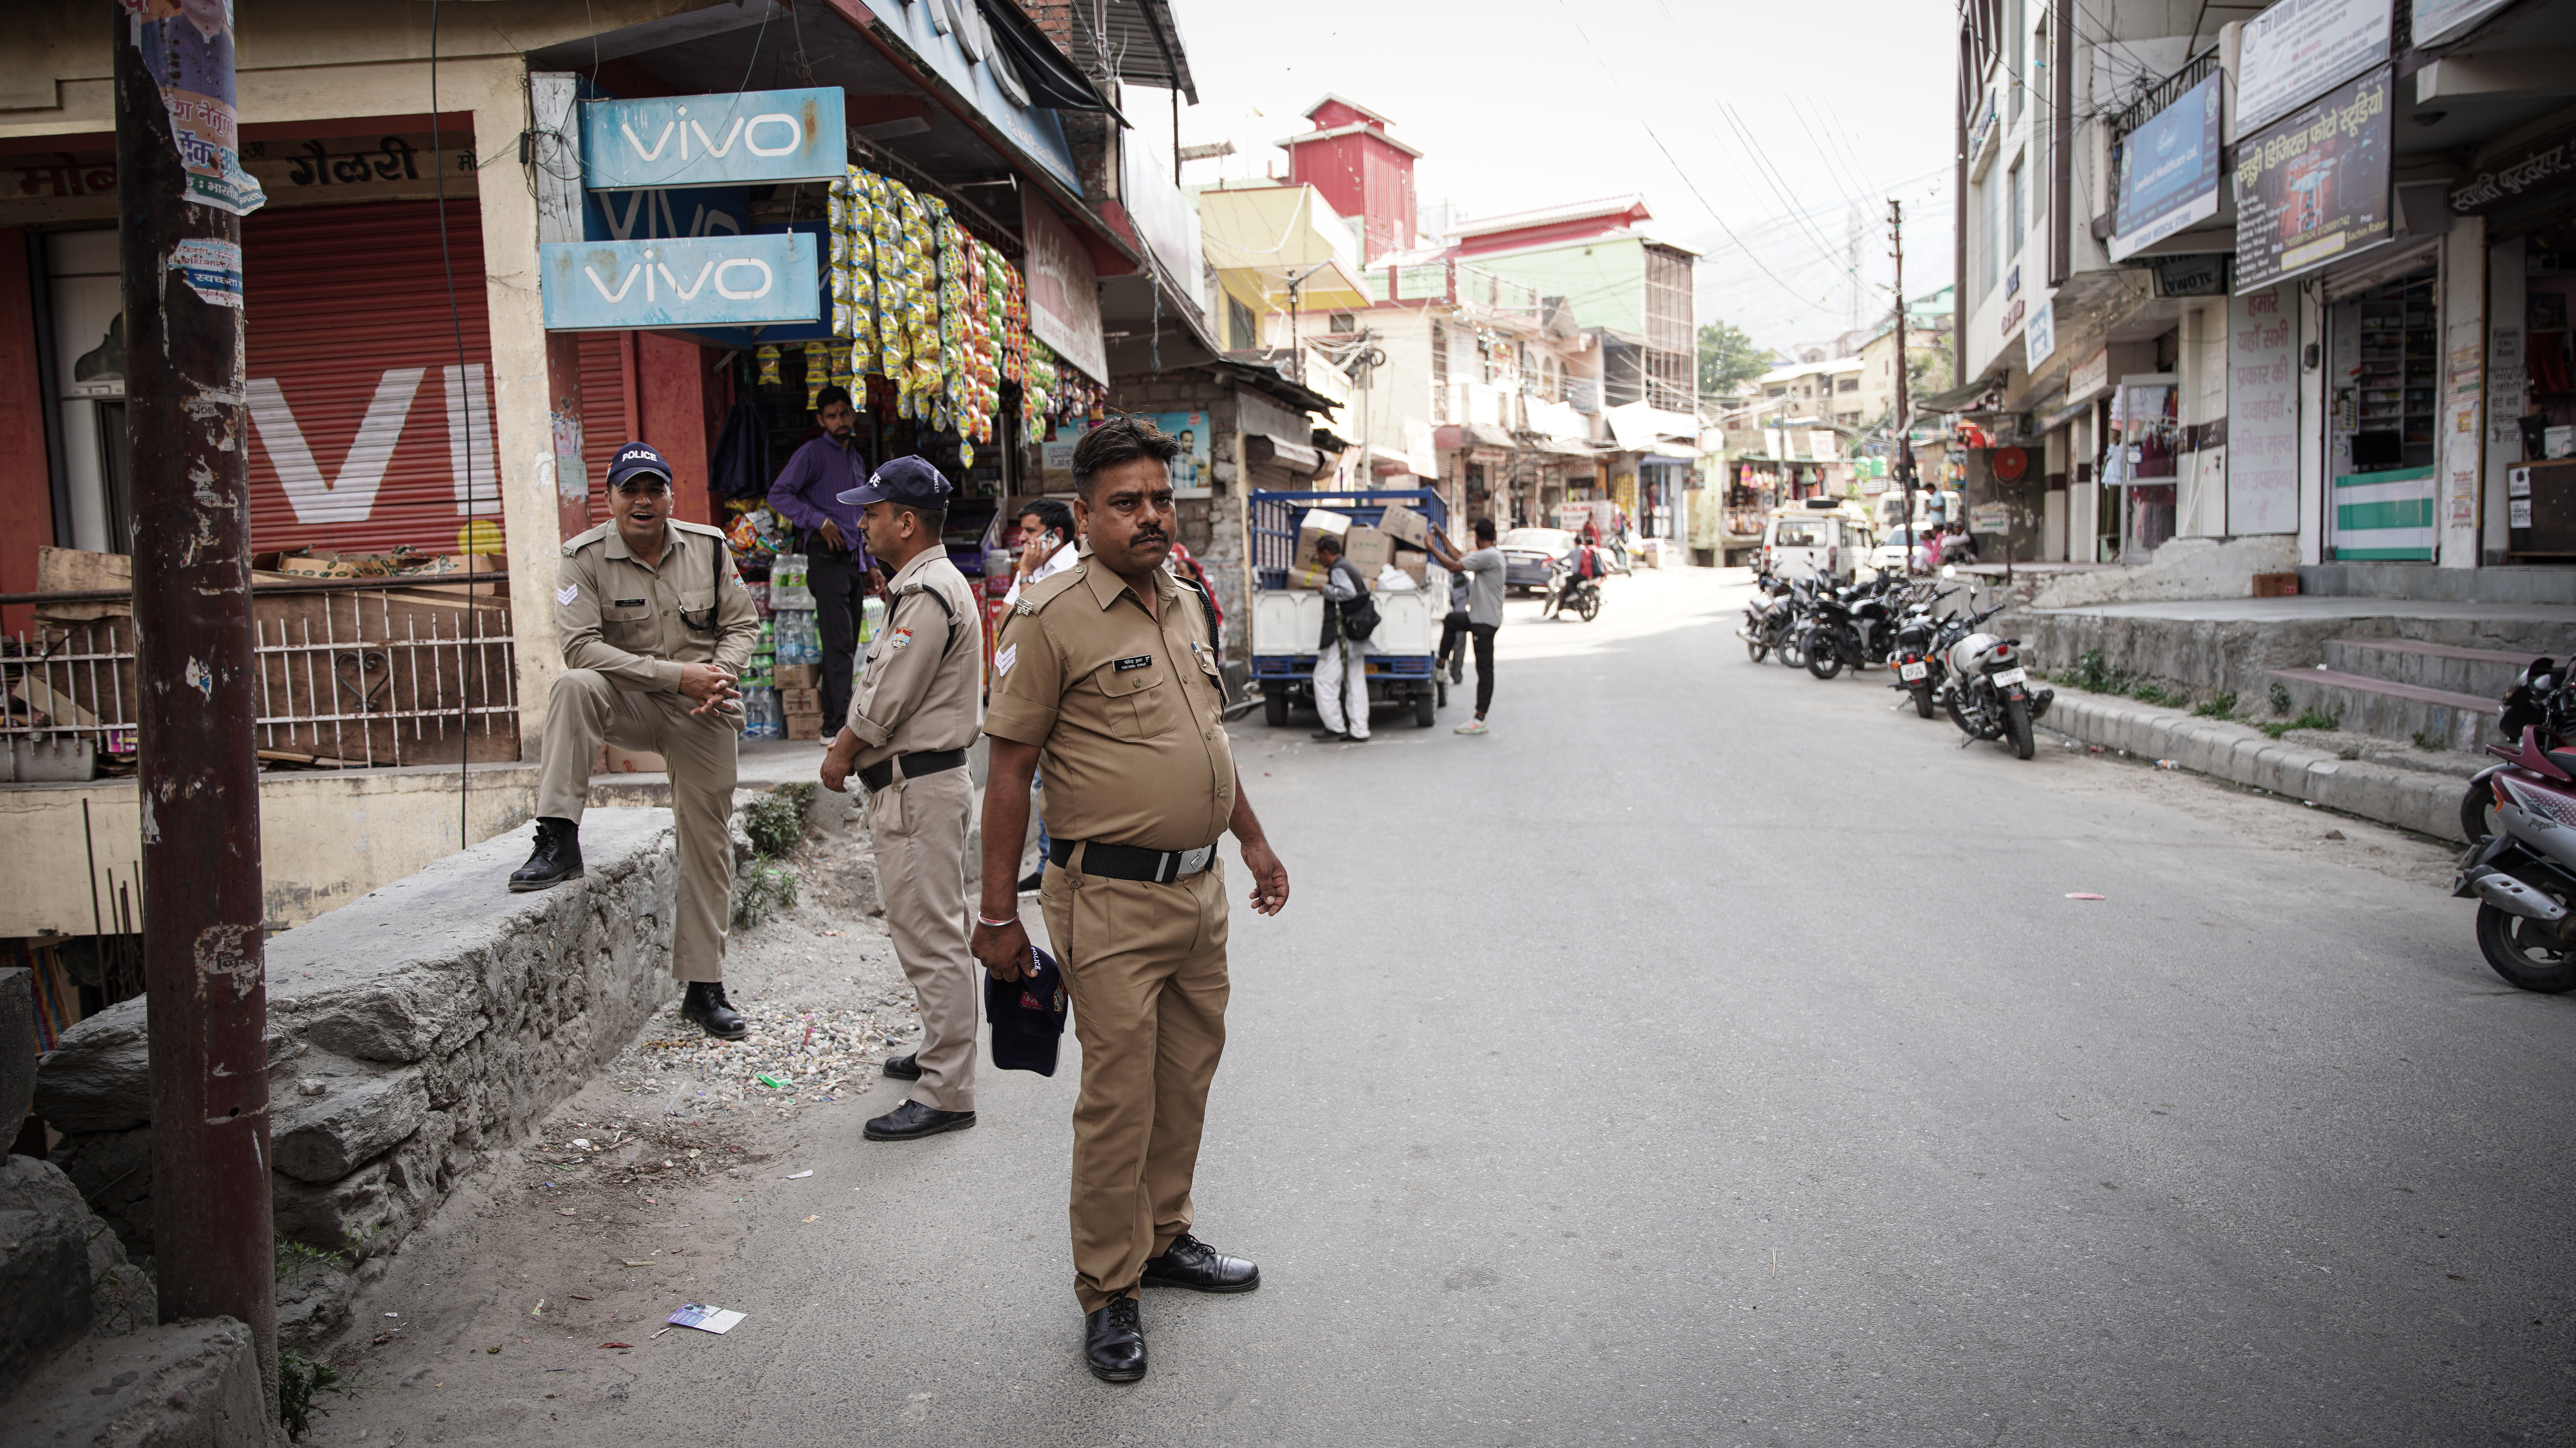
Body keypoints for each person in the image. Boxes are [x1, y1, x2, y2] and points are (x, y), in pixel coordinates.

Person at [972, 415, 1291, 1384]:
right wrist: (997, 917)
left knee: (1186, 1074)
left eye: (1160, 497)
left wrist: (1251, 837)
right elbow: (1010, 773)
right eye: (1128, 502)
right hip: (1105, 897)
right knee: (1119, 1097)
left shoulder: (1184, 596)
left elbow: (1208, 740)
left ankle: (1165, 1236)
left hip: (1199, 889)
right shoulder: (1051, 614)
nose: (1151, 515)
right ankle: (1109, 1287)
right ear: (1086, 512)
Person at [513, 442, 762, 1039]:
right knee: (573, 685)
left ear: (671, 497)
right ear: (611, 499)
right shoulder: (583, 558)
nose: (643, 501)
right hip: (630, 701)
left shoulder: (707, 549)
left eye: (655, 490)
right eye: (631, 490)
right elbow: (580, 646)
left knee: (708, 842)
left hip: (703, 709)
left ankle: (704, 988)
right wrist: (678, 675)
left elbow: (742, 623)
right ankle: (557, 837)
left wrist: (720, 675)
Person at [815, 456, 984, 1141]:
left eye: (872, 512)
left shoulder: (927, 593)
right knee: (925, 927)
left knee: (931, 935)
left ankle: (946, 1089)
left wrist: (841, 751)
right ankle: (938, 1050)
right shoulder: (923, 586)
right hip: (920, 786)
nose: (861, 522)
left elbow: (887, 700)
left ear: (906, 522)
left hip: (919, 788)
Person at [766, 385, 873, 734]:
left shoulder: (855, 458)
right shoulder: (812, 453)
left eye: (844, 413)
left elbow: (862, 514)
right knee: (838, 641)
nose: (840, 421)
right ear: (821, 420)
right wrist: (820, 522)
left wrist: (871, 565)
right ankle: (835, 723)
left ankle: (841, 716)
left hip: (853, 559)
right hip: (826, 557)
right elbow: (779, 494)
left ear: (853, 414)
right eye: (832, 416)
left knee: (850, 642)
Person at [1422, 518, 1503, 735]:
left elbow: (1452, 565)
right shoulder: (1489, 555)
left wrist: (1431, 547)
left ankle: (1480, 719)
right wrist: (1440, 536)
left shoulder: (1488, 556)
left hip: (1484, 623)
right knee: (1451, 620)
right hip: (1480, 618)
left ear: (1477, 538)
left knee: (1485, 670)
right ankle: (1441, 666)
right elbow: (1458, 556)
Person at [1308, 534, 1371, 743]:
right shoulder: (1349, 565)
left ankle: (1334, 726)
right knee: (1355, 680)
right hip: (1354, 632)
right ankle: (1360, 730)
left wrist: (1324, 590)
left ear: (1327, 553)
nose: (1321, 561)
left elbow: (1349, 593)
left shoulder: (1338, 569)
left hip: (1341, 634)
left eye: (1320, 556)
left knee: (1323, 679)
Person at [1003, 497, 1079, 609]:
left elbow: (1027, 622)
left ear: (1056, 535)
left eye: (1030, 531)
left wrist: (1027, 574)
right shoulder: (1031, 565)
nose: (1021, 538)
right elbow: (1002, 623)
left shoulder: (1075, 569)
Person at [1437, 562, 1471, 685]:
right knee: (1459, 648)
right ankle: (1457, 674)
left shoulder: (1442, 574)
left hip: (1445, 616)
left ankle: (1444, 667)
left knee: (1445, 644)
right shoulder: (1463, 576)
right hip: (1460, 616)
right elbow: (1471, 593)